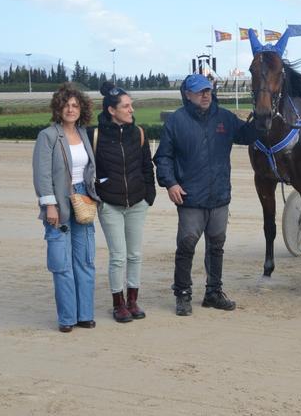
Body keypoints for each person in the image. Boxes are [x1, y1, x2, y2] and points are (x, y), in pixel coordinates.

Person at [154, 74, 258, 316]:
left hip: (219, 195)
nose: (205, 95)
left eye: (208, 90)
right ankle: (182, 294)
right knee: (187, 244)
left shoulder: (224, 117)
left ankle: (213, 292)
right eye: (200, 91)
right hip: (190, 196)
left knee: (217, 246)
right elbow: (163, 157)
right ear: (187, 95)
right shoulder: (176, 121)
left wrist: (261, 117)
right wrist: (170, 184)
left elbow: (247, 135)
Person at [32, 84, 99, 333]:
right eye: (66, 105)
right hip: (58, 203)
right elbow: (42, 175)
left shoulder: (84, 133)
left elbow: (89, 169)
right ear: (58, 108)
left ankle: (85, 315)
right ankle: (67, 318)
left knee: (85, 260)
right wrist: (49, 205)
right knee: (62, 263)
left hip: (83, 201)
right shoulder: (47, 136)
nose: (71, 109)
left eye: (75, 105)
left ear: (81, 109)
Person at [88, 82, 156, 323]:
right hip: (110, 205)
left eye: (131, 105)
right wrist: (100, 193)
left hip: (137, 203)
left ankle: (133, 300)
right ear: (111, 110)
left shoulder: (138, 133)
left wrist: (149, 195)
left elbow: (148, 166)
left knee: (135, 254)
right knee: (118, 256)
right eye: (126, 106)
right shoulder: (93, 135)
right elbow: (86, 168)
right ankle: (118, 304)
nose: (131, 110)